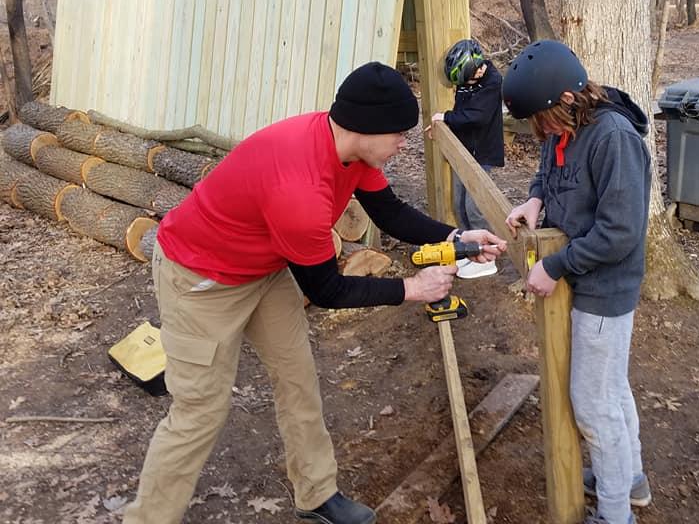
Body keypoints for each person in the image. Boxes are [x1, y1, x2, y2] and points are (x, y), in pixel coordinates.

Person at [123, 62, 507, 524]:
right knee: (200, 411)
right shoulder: (299, 190)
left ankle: (316, 493)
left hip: (263, 269)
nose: (404, 143)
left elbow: (389, 212)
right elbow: (327, 289)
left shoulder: (349, 152)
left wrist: (457, 238)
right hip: (200, 280)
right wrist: (411, 288)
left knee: (298, 379)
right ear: (367, 128)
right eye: (399, 134)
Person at [502, 40, 653, 524]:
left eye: (543, 122)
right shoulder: (561, 130)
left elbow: (620, 231)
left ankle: (614, 515)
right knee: (611, 389)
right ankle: (629, 479)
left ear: (567, 100)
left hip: (605, 288)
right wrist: (534, 200)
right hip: (583, 279)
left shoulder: (613, 139)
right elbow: (549, 174)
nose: (540, 133)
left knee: (591, 404)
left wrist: (555, 265)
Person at [430, 38, 504, 279]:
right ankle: (469, 251)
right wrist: (444, 128)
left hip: (482, 154)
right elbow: (462, 113)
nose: (466, 85)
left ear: (479, 67)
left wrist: (447, 118)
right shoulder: (466, 81)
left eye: (469, 80)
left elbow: (477, 116)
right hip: (463, 151)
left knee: (475, 207)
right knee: (458, 204)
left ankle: (488, 256)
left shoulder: (492, 82)